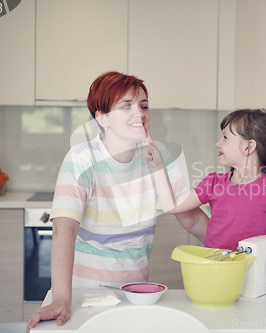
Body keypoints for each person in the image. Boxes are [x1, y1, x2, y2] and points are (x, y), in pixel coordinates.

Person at [26, 71, 209, 332]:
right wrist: (62, 299)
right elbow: (64, 228)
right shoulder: (82, 158)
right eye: (126, 106)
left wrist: (236, 252)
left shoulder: (161, 155)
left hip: (135, 292)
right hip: (82, 295)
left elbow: (191, 216)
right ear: (102, 118)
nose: (140, 113)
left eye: (144, 105)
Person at [151, 109, 266, 287]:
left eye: (225, 137)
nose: (218, 143)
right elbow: (171, 205)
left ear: (249, 147)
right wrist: (159, 165)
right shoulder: (213, 183)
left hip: (251, 273)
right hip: (216, 271)